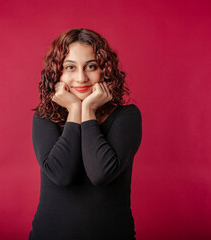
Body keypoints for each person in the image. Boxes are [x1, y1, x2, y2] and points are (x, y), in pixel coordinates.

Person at [29, 28, 142, 240]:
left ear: (104, 70)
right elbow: (61, 175)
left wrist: (86, 111)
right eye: (70, 67)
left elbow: (101, 173)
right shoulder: (44, 118)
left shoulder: (126, 117)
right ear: (58, 73)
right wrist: (74, 110)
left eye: (91, 66)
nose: (81, 78)